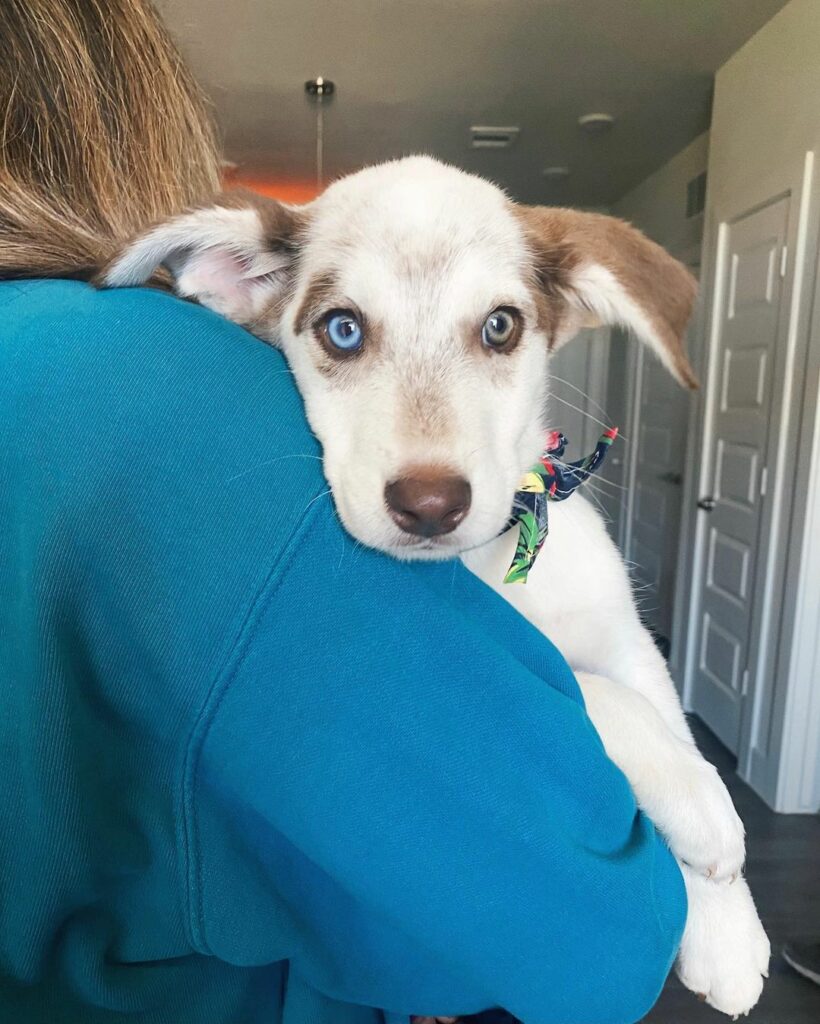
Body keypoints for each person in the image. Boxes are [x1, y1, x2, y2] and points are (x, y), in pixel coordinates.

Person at [0, 3, 687, 1022]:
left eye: (496, 327)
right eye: (345, 329)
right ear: (133, 116)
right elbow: (596, 937)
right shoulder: (160, 390)